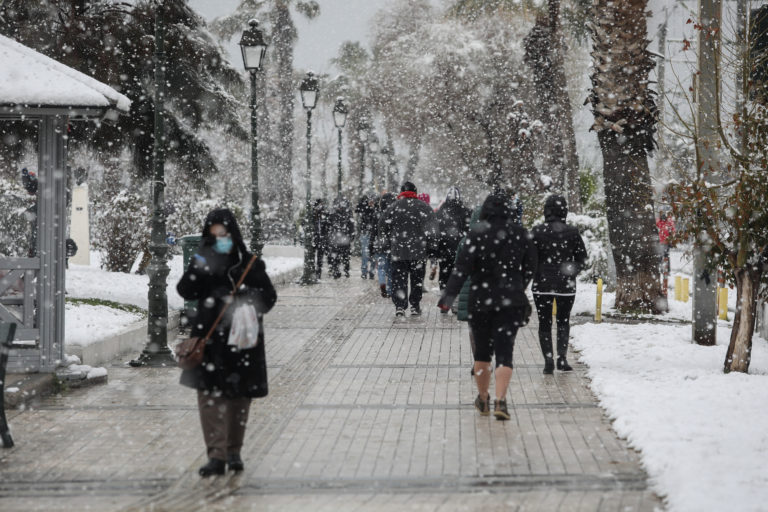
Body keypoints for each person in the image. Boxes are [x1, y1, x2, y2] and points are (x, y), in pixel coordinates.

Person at [176, 208, 277, 477]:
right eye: (214, 233)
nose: (220, 238)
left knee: (238, 398)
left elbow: (268, 298)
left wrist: (244, 300)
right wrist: (199, 264)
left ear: (232, 233)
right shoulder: (204, 259)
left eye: (224, 233)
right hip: (210, 341)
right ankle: (216, 455)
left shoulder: (249, 263)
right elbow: (185, 290)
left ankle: (234, 452)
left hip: (242, 342)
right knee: (209, 398)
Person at [438, 192, 536, 420]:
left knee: (482, 354)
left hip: (480, 300)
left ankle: (483, 398)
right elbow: (531, 265)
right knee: (505, 353)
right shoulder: (520, 234)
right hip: (510, 301)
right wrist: (519, 285)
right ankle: (501, 400)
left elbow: (461, 268)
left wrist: (448, 298)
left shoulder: (476, 235)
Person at [531, 195, 588, 374]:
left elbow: (529, 259)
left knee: (544, 322)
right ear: (564, 210)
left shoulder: (537, 231)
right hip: (566, 286)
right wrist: (569, 270)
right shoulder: (572, 232)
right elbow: (582, 259)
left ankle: (548, 359)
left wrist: (537, 272)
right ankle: (562, 359)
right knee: (563, 321)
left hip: (542, 285)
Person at [379, 182, 437, 317]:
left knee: (399, 279)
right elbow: (433, 230)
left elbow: (382, 226)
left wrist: (387, 244)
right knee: (417, 280)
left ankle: (400, 305)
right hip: (418, 251)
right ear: (415, 192)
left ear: (401, 192)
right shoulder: (424, 208)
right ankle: (415, 305)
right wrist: (432, 248)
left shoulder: (393, 207)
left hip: (398, 251)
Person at [435, 187, 471, 294]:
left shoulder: (441, 212)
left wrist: (435, 250)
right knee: (457, 274)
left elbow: (436, 231)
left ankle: (444, 297)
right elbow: (469, 229)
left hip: (444, 248)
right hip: (459, 249)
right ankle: (455, 300)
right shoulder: (466, 211)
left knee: (444, 273)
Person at [369, 192, 396, 298]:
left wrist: (371, 246)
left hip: (381, 243)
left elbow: (373, 232)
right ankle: (389, 289)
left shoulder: (377, 214)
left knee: (381, 267)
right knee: (391, 269)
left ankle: (382, 284)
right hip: (392, 244)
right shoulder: (395, 213)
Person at [328, 196, 355, 279]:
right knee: (338, 256)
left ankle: (345, 270)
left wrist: (351, 235)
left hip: (343, 238)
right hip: (337, 238)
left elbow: (351, 225)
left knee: (344, 256)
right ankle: (337, 271)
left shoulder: (346, 213)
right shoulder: (333, 214)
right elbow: (329, 225)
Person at [355, 194, 377, 279]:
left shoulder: (373, 210)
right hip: (367, 234)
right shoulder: (365, 210)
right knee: (366, 254)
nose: (371, 203)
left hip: (371, 234)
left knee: (371, 254)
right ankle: (366, 272)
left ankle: (369, 272)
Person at [311, 199, 330, 279]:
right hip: (314, 238)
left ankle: (318, 274)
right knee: (311, 257)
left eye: (321, 205)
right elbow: (305, 223)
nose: (320, 207)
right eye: (318, 205)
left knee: (320, 258)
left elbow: (328, 226)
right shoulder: (312, 215)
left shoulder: (325, 214)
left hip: (322, 239)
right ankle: (312, 272)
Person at [656, 211, 675, 275]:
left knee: (664, 256)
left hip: (665, 242)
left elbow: (673, 231)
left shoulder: (667, 222)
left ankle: (665, 270)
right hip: (662, 242)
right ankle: (663, 269)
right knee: (663, 256)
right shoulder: (661, 222)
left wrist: (671, 240)